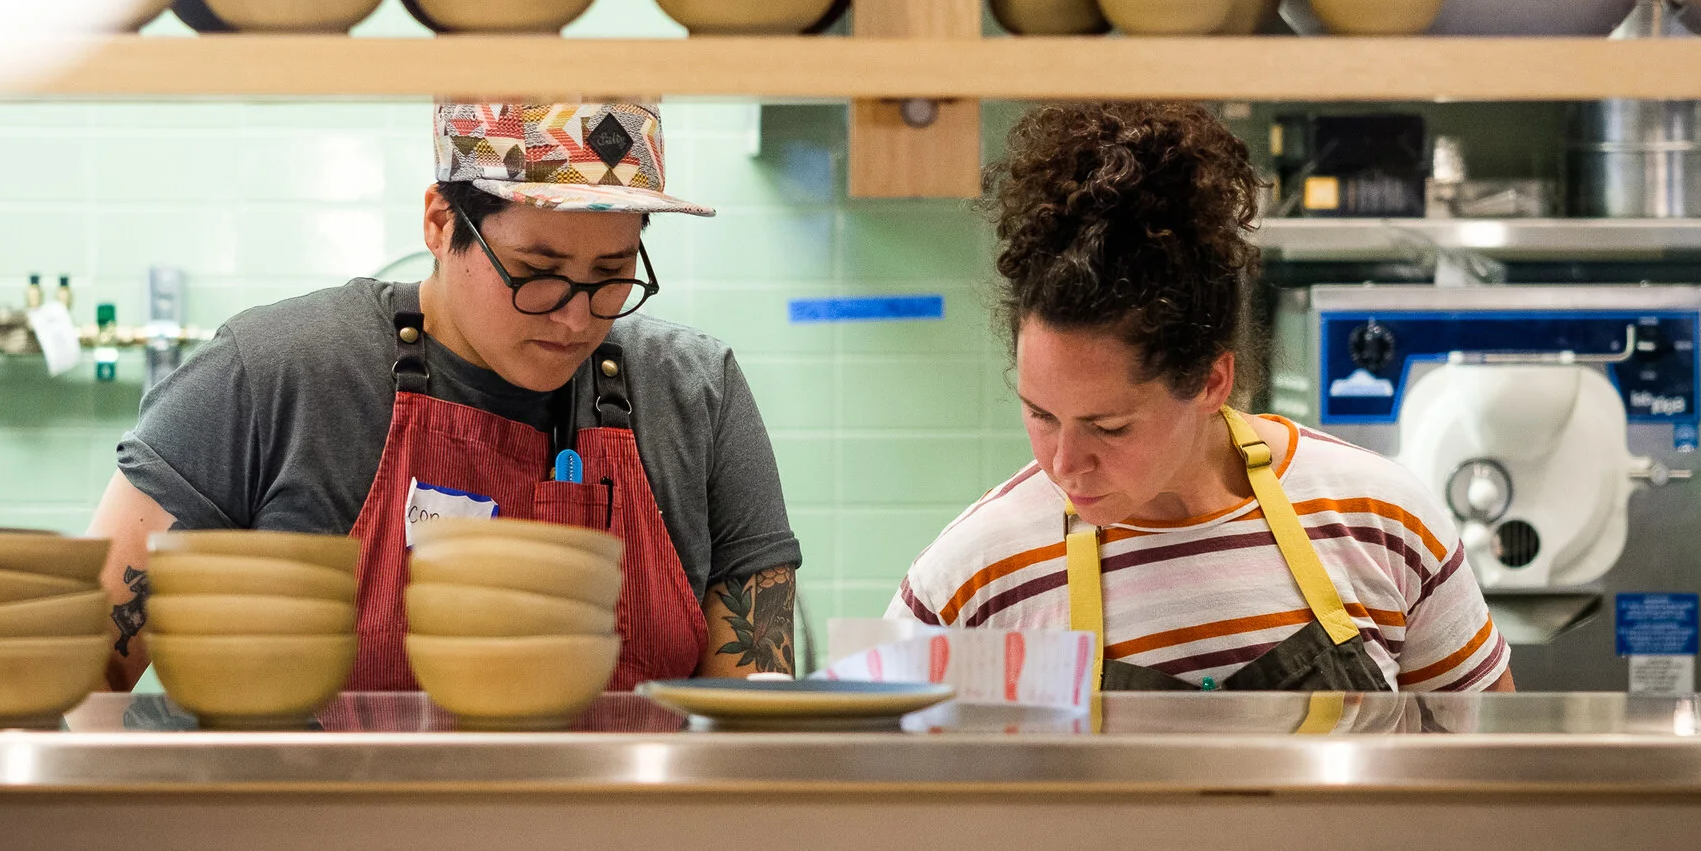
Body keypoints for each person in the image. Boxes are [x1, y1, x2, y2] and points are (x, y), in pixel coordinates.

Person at [88, 101, 800, 693]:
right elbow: (92, 670)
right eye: (536, 270)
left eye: (611, 273)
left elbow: (751, 718)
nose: (577, 316)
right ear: (438, 222)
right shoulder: (270, 378)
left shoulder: (697, 396)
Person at [891, 101, 1511, 694]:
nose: (1063, 464)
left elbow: (1488, 780)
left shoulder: (1382, 521)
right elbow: (869, 790)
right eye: (1040, 415)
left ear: (1212, 381)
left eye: (1109, 427)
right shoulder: (974, 583)